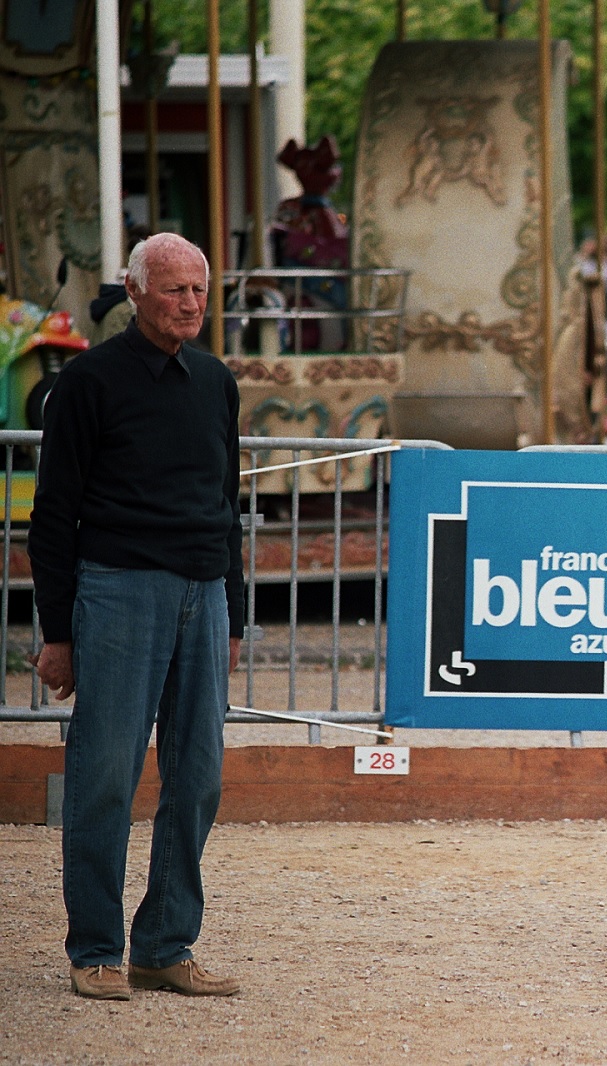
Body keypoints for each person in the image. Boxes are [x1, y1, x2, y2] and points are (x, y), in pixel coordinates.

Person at [30, 233, 244, 1001]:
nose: (190, 303)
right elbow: (52, 515)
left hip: (204, 590)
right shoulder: (88, 382)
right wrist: (58, 633)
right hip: (118, 589)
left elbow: (228, 506)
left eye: (199, 289)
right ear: (134, 293)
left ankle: (164, 943)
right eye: (174, 290)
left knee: (199, 777)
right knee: (105, 777)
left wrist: (236, 616)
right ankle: (96, 947)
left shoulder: (216, 381)